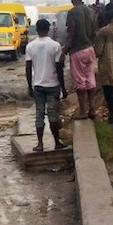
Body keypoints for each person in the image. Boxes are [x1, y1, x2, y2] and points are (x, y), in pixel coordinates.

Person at [26, 18, 68, 152]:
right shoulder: (55, 46)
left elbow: (28, 68)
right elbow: (59, 68)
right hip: (53, 85)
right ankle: (56, 143)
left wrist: (29, 85)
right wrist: (63, 88)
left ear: (37, 30)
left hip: (38, 85)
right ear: (48, 29)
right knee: (53, 115)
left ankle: (40, 144)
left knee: (39, 115)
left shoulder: (30, 46)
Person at [64, 0, 97, 119]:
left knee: (80, 82)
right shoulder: (91, 11)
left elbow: (71, 34)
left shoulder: (72, 12)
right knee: (90, 79)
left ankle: (83, 111)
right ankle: (92, 109)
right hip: (89, 49)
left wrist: (64, 51)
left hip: (77, 51)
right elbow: (95, 32)